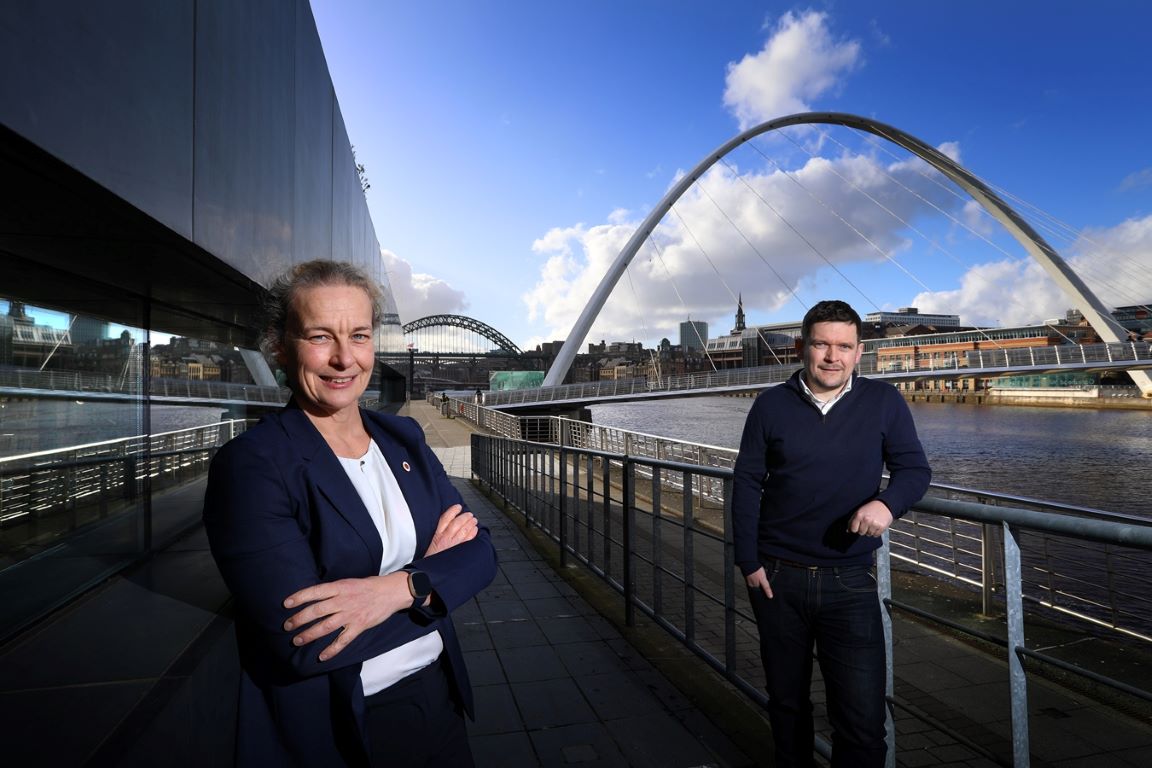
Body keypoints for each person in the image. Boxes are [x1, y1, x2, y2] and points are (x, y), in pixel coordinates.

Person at [203, 260, 497, 767]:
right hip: (342, 727)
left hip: (439, 701)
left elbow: (482, 552)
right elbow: (304, 641)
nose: (344, 359)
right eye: (320, 336)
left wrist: (395, 589)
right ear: (280, 346)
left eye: (358, 335)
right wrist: (435, 578)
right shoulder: (253, 467)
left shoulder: (402, 438)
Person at [732, 299, 931, 768]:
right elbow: (746, 483)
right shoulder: (770, 406)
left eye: (843, 346)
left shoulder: (884, 402)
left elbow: (915, 470)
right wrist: (748, 561)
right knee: (788, 707)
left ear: (859, 352)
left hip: (850, 581)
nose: (831, 356)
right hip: (777, 579)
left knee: (862, 721)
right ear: (803, 347)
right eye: (821, 344)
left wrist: (886, 503)